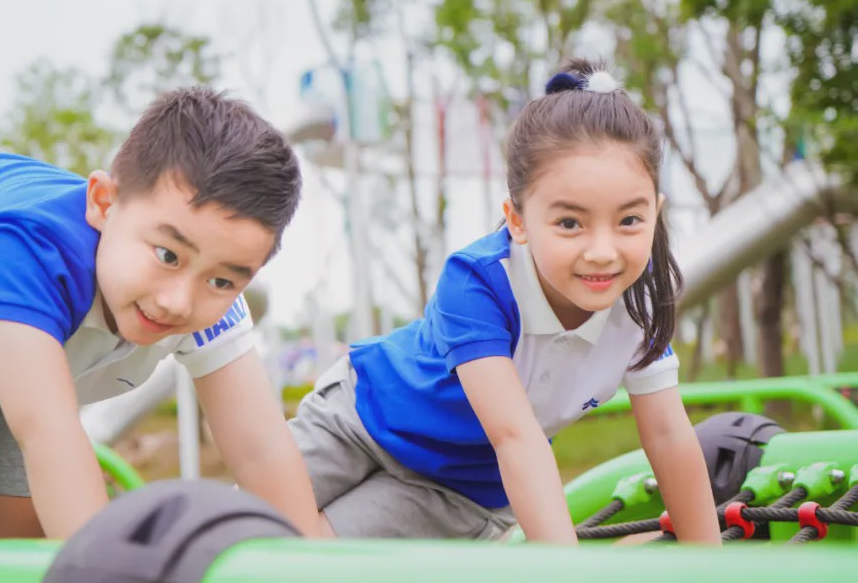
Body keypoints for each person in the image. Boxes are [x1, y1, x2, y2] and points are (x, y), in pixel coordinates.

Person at [0, 86, 323, 541]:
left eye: (222, 279)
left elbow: (261, 450)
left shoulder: (212, 300)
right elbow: (47, 431)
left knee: (24, 512)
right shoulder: (23, 256)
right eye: (167, 255)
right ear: (102, 203)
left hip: (1, 309)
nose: (178, 301)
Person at [289, 59, 722, 544]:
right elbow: (515, 434)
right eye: (570, 223)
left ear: (656, 212)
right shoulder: (480, 280)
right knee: (247, 526)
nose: (602, 251)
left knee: (313, 554)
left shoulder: (639, 305)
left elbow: (667, 436)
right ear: (517, 219)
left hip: (458, 489)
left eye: (629, 221)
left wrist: (709, 563)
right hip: (359, 420)